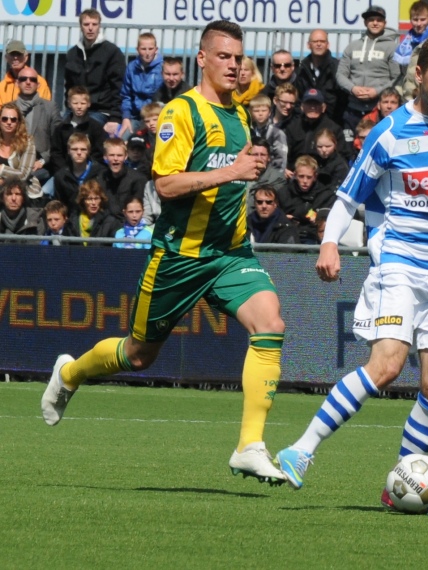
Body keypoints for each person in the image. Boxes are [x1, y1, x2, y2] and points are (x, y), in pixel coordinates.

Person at [41, 20, 288, 486]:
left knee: (271, 323)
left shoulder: (239, 115)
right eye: (224, 57)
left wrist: (251, 170)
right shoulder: (182, 113)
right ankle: (70, 372)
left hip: (229, 253)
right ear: (202, 59)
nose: (233, 65)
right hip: (180, 256)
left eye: (238, 58)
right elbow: (165, 184)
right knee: (138, 356)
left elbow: (233, 173)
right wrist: (233, 170)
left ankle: (249, 446)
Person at [274, 35, 428, 502]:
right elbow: (348, 198)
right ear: (418, 74)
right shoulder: (389, 134)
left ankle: (402, 483)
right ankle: (301, 450)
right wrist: (330, 242)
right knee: (387, 366)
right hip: (400, 266)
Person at [336, 6, 401, 136]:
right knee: (350, 150)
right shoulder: (352, 46)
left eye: (379, 20)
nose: (375, 23)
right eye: (371, 19)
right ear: (366, 22)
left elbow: (397, 77)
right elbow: (340, 74)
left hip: (377, 111)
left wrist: (376, 91)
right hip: (353, 109)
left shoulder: (392, 47)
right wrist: (352, 88)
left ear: (385, 23)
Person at [64, 8, 127, 134]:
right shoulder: (72, 53)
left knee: (84, 133)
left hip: (101, 111)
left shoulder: (112, 52)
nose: (90, 28)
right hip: (75, 109)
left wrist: (115, 117)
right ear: (81, 27)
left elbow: (118, 87)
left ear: (99, 26)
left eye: (94, 24)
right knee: (61, 131)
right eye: (86, 24)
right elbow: (69, 87)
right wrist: (70, 106)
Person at [12, 65, 61, 184]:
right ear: (17, 83)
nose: (28, 82)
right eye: (23, 79)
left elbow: (58, 141)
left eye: (33, 79)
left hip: (40, 166)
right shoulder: (9, 109)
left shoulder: (50, 108)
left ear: (38, 85)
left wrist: (43, 161)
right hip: (13, 163)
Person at [284, 88, 349, 170]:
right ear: (302, 107)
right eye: (309, 103)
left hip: (324, 173)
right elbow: (284, 155)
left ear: (323, 107)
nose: (312, 107)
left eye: (316, 104)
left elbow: (342, 157)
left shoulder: (334, 129)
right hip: (296, 173)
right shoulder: (292, 127)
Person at [277, 154, 335, 243]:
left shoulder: (325, 195)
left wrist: (317, 220)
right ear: (295, 175)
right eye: (301, 176)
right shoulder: (283, 193)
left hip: (314, 237)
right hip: (288, 235)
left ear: (315, 176)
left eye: (309, 177)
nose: (305, 181)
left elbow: (330, 221)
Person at [49, 86, 107, 175]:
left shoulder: (95, 127)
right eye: (75, 103)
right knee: (46, 189)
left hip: (89, 173)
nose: (79, 107)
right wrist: (64, 171)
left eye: (83, 103)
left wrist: (88, 170)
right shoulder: (61, 128)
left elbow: (99, 153)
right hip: (65, 173)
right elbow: (56, 153)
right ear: (69, 104)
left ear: (89, 104)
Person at [396, 1, 428, 101]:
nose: (419, 24)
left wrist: (423, 90)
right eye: (415, 20)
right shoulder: (407, 42)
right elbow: (402, 73)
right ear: (410, 20)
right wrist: (399, 92)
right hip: (408, 97)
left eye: (422, 19)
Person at [296, 30, 347, 123]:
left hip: (333, 122)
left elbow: (343, 99)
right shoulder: (302, 69)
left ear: (328, 45)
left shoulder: (337, 68)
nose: (319, 44)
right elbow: (298, 98)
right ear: (308, 45)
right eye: (315, 41)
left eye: (322, 41)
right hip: (306, 122)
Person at [120, 33, 164, 138]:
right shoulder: (131, 67)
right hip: (135, 116)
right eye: (143, 49)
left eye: (150, 48)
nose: (147, 53)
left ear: (156, 49)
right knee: (123, 140)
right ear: (137, 49)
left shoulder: (162, 68)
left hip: (154, 117)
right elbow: (126, 95)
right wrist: (126, 117)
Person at [0, 102, 44, 206]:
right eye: (4, 119)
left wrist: (1, 169)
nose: (9, 122)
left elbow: (23, 175)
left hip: (24, 195)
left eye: (13, 119)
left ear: (19, 123)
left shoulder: (28, 143)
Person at [52, 132, 106, 214]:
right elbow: (60, 204)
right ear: (68, 150)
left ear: (89, 151)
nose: (79, 153)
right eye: (74, 149)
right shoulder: (61, 176)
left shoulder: (101, 173)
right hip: (72, 220)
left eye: (83, 149)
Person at [97, 137, 147, 221]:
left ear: (126, 156)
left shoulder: (138, 179)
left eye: (119, 155)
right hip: (105, 225)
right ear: (105, 157)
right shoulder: (99, 179)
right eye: (111, 155)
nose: (115, 159)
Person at [1, 39, 51, 105]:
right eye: (12, 54)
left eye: (19, 54)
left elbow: (44, 108)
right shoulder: (2, 86)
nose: (15, 57)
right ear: (6, 58)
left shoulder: (38, 81)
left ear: (26, 57)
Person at [245, 137, 287, 212]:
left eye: (263, 155)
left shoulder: (278, 179)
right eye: (255, 154)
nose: (259, 158)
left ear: (269, 158)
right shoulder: (240, 176)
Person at [249, 93, 288, 171]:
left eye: (264, 110)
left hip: (271, 174)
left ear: (269, 112)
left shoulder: (277, 133)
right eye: (256, 111)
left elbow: (281, 158)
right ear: (251, 113)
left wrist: (275, 175)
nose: (260, 114)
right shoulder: (248, 131)